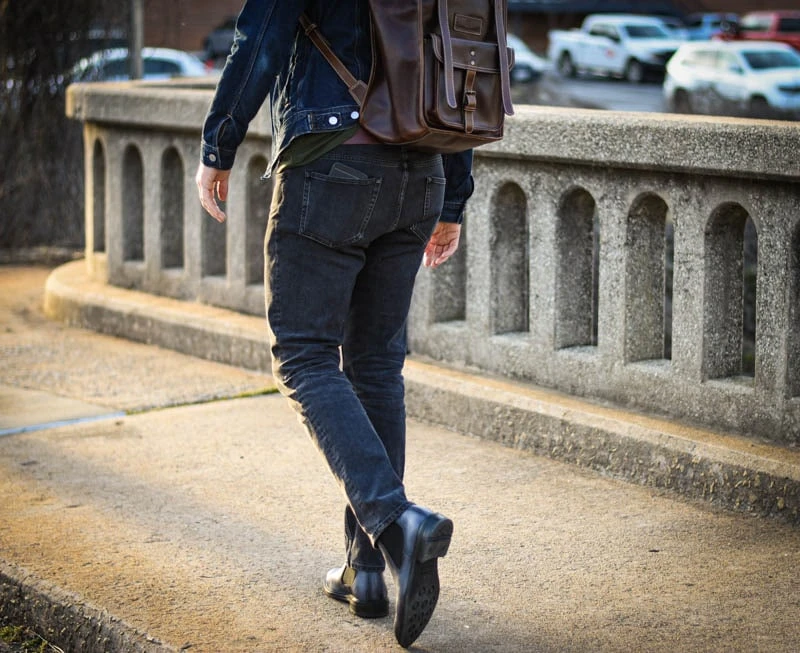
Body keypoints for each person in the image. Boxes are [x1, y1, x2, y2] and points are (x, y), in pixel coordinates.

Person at [196, 1, 474, 647]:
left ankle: (396, 521)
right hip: (423, 167)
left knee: (304, 355)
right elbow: (460, 65)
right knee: (376, 365)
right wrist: (453, 194)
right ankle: (367, 570)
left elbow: (260, 39)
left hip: (334, 163)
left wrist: (219, 144)